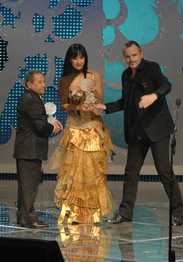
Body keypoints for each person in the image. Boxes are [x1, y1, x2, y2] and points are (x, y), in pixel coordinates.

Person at [96, 40, 183, 225]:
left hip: (157, 128)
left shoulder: (152, 68)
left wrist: (153, 96)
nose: (131, 59)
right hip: (137, 130)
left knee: (164, 170)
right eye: (128, 56)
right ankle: (125, 213)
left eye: (134, 55)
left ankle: (178, 211)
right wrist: (105, 107)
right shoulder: (126, 75)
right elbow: (125, 102)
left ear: (141, 54)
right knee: (131, 171)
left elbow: (166, 85)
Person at [49, 43, 115, 225]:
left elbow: (100, 100)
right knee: (73, 172)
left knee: (93, 172)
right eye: (75, 57)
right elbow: (63, 104)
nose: (79, 61)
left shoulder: (94, 75)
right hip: (75, 129)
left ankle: (93, 213)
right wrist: (77, 104)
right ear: (69, 59)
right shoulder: (65, 80)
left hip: (93, 128)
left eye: (81, 57)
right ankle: (73, 212)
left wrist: (92, 98)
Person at [13, 70, 63, 228]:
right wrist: (53, 127)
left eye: (43, 81)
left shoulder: (31, 98)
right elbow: (40, 126)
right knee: (29, 186)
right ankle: (28, 217)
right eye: (39, 82)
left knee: (27, 185)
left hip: (28, 149)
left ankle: (24, 216)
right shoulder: (31, 100)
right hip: (29, 149)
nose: (44, 85)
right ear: (29, 84)